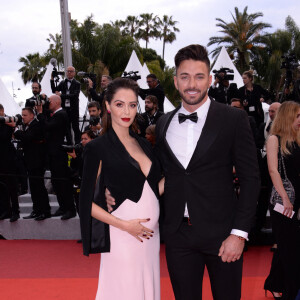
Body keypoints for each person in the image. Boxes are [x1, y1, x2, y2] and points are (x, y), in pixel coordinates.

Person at [154, 44, 259, 300]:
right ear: (176, 81)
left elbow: (251, 179)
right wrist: (118, 194)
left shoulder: (233, 119)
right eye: (185, 76)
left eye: (199, 76)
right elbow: (157, 176)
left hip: (223, 235)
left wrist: (239, 234)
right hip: (178, 237)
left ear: (210, 80)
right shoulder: (163, 123)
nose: (192, 84)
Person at [79, 78, 163, 300]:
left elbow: (153, 188)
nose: (127, 111)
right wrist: (125, 226)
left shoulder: (143, 143)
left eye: (132, 104)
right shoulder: (97, 147)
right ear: (107, 105)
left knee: (147, 290)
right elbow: (85, 203)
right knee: (125, 292)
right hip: (122, 236)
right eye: (119, 104)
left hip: (150, 238)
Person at [264, 101, 300, 300]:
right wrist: (285, 198)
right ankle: (290, 290)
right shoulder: (274, 140)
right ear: (287, 116)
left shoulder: (296, 139)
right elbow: (272, 170)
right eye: (297, 115)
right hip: (282, 199)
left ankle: (275, 283)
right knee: (290, 246)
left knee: (286, 244)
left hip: (297, 199)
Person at [36, 95, 76, 220]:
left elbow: (47, 126)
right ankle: (62, 207)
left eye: (50, 101)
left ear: (57, 102)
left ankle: (70, 209)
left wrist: (41, 113)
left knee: (63, 181)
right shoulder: (54, 114)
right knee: (56, 181)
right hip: (53, 153)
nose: (48, 103)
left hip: (59, 153)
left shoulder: (62, 114)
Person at [14, 108, 51, 220]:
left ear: (31, 115)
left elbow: (27, 137)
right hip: (30, 161)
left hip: (37, 162)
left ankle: (45, 211)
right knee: (34, 188)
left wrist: (15, 130)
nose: (23, 117)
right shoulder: (28, 126)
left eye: (25, 115)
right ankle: (36, 210)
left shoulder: (36, 125)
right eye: (22, 115)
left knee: (39, 187)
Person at [50, 66, 81, 144]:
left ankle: (78, 145)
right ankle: (69, 145)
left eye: (71, 71)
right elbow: (54, 90)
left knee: (75, 128)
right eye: (68, 71)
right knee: (67, 128)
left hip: (74, 109)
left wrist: (61, 95)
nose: (69, 73)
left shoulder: (77, 83)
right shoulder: (62, 82)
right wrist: (52, 79)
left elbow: (74, 95)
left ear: (74, 73)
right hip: (65, 109)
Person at [0, 104, 20, 222]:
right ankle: (5, 210)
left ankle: (15, 211)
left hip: (9, 159)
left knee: (12, 186)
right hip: (1, 160)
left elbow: (4, 136)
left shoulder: (9, 121)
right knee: (2, 187)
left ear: (2, 111)